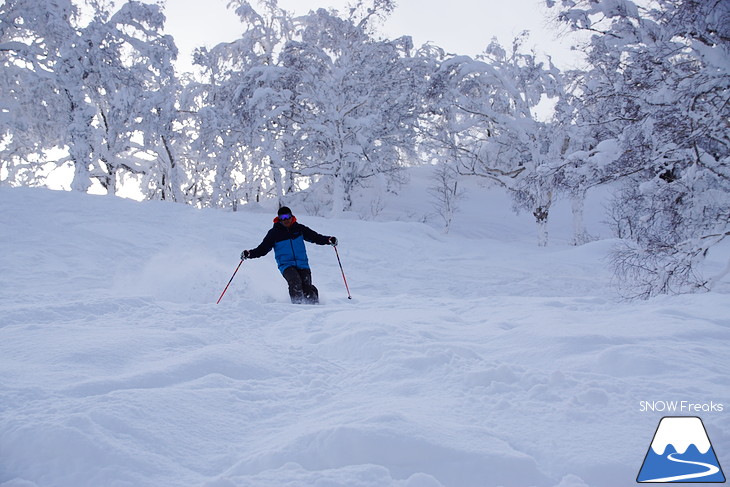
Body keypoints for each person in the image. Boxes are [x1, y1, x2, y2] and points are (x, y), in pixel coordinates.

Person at [241, 207, 337, 304]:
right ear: (279, 218)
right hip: (286, 265)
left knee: (306, 287)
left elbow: (315, 237)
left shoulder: (299, 229)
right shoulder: (274, 233)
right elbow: (262, 249)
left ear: (292, 216)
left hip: (302, 263)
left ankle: (314, 306)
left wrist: (328, 240)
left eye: (287, 216)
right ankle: (297, 305)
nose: (286, 219)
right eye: (283, 217)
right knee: (295, 281)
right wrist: (249, 254)